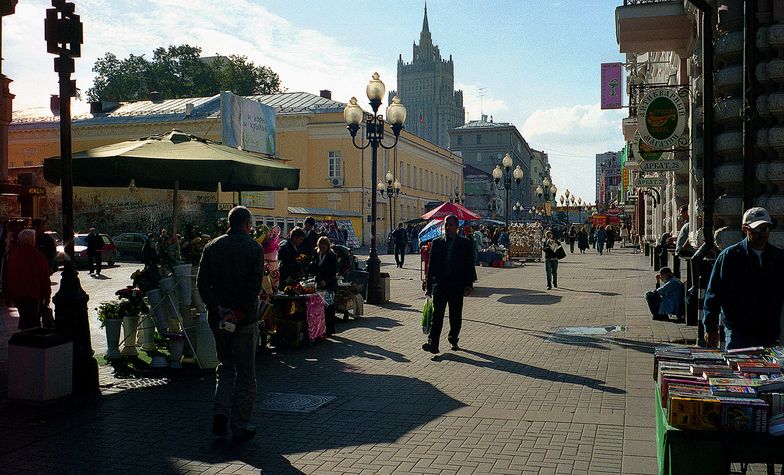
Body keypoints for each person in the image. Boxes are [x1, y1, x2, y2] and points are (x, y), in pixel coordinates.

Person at [197, 206, 264, 443]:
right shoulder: (254, 248)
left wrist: (218, 308)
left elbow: (202, 284)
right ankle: (240, 425)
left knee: (225, 368)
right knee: (246, 374)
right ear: (246, 225)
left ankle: (220, 413)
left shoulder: (212, 247)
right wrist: (239, 312)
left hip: (218, 319)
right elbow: (253, 286)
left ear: (228, 223)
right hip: (244, 321)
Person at [703, 207, 784, 350]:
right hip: (738, 331)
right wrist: (710, 327)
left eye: (766, 229)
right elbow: (714, 293)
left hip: (769, 331)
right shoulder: (730, 256)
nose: (762, 234)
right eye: (757, 229)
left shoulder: (778, 257)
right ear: (745, 228)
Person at [422, 214, 476, 354]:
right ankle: (433, 343)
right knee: (437, 316)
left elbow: (469, 265)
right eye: (446, 224)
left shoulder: (464, 243)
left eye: (451, 225)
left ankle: (453, 339)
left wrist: (469, 284)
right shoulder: (437, 242)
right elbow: (431, 266)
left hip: (457, 285)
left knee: (455, 315)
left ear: (457, 227)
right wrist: (428, 285)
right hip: (440, 285)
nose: (448, 227)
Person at [4, 229, 52, 330]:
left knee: (25, 317)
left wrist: (8, 295)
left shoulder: (14, 255)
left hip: (18, 294)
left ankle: (25, 335)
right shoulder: (37, 255)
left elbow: (8, 276)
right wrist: (47, 295)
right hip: (33, 293)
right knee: (33, 321)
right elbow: (44, 277)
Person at [311, 236, 339, 336]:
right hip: (319, 283)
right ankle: (321, 329)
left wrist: (326, 281)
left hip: (330, 285)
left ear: (327, 246)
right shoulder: (316, 253)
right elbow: (314, 267)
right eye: (320, 247)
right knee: (319, 308)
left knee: (329, 308)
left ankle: (330, 330)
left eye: (323, 248)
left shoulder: (332, 256)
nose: (321, 250)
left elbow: (334, 271)